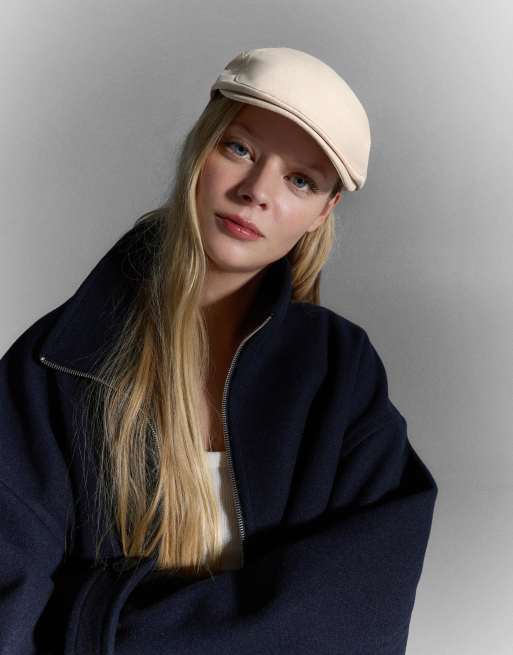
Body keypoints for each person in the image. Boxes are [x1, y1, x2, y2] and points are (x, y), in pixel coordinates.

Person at [0, 47, 438, 654]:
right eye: (240, 149)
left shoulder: (341, 373)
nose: (256, 191)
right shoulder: (56, 362)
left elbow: (359, 613)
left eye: (300, 180)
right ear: (199, 147)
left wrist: (94, 628)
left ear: (323, 211)